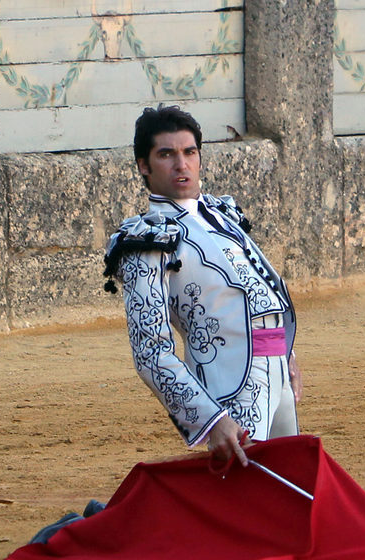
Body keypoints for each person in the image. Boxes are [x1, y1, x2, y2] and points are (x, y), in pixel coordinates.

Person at [103, 105, 303, 468]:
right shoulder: (146, 240)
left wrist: (285, 351)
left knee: (290, 485)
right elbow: (151, 352)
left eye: (189, 152)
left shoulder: (223, 214)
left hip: (277, 370)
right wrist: (208, 419)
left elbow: (258, 292)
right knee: (247, 497)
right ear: (143, 166)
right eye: (166, 154)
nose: (181, 164)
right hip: (231, 385)